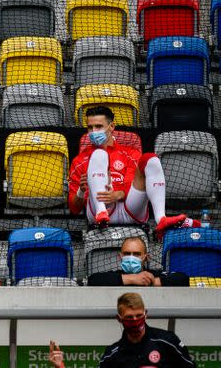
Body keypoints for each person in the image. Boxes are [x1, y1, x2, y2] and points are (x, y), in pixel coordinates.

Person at [68, 106, 198, 236]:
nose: (93, 131)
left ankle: (161, 219)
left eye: (98, 127)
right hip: (98, 211)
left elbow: (133, 182)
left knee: (151, 159)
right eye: (90, 128)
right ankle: (101, 212)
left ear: (111, 126)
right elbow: (74, 209)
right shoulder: (80, 161)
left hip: (131, 208)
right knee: (98, 154)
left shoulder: (130, 154)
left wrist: (119, 194)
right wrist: (81, 191)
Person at [49, 293, 194, 367]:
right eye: (130, 317)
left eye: (139, 316)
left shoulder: (167, 341)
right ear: (119, 319)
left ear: (146, 314)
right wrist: (61, 366)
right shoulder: (112, 355)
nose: (135, 321)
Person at [88, 236, 189, 287]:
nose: (131, 257)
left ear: (146, 257)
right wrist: (132, 279)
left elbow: (183, 278)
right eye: (127, 254)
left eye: (136, 254)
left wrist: (153, 281)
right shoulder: (115, 275)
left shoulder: (153, 274)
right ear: (120, 257)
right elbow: (93, 280)